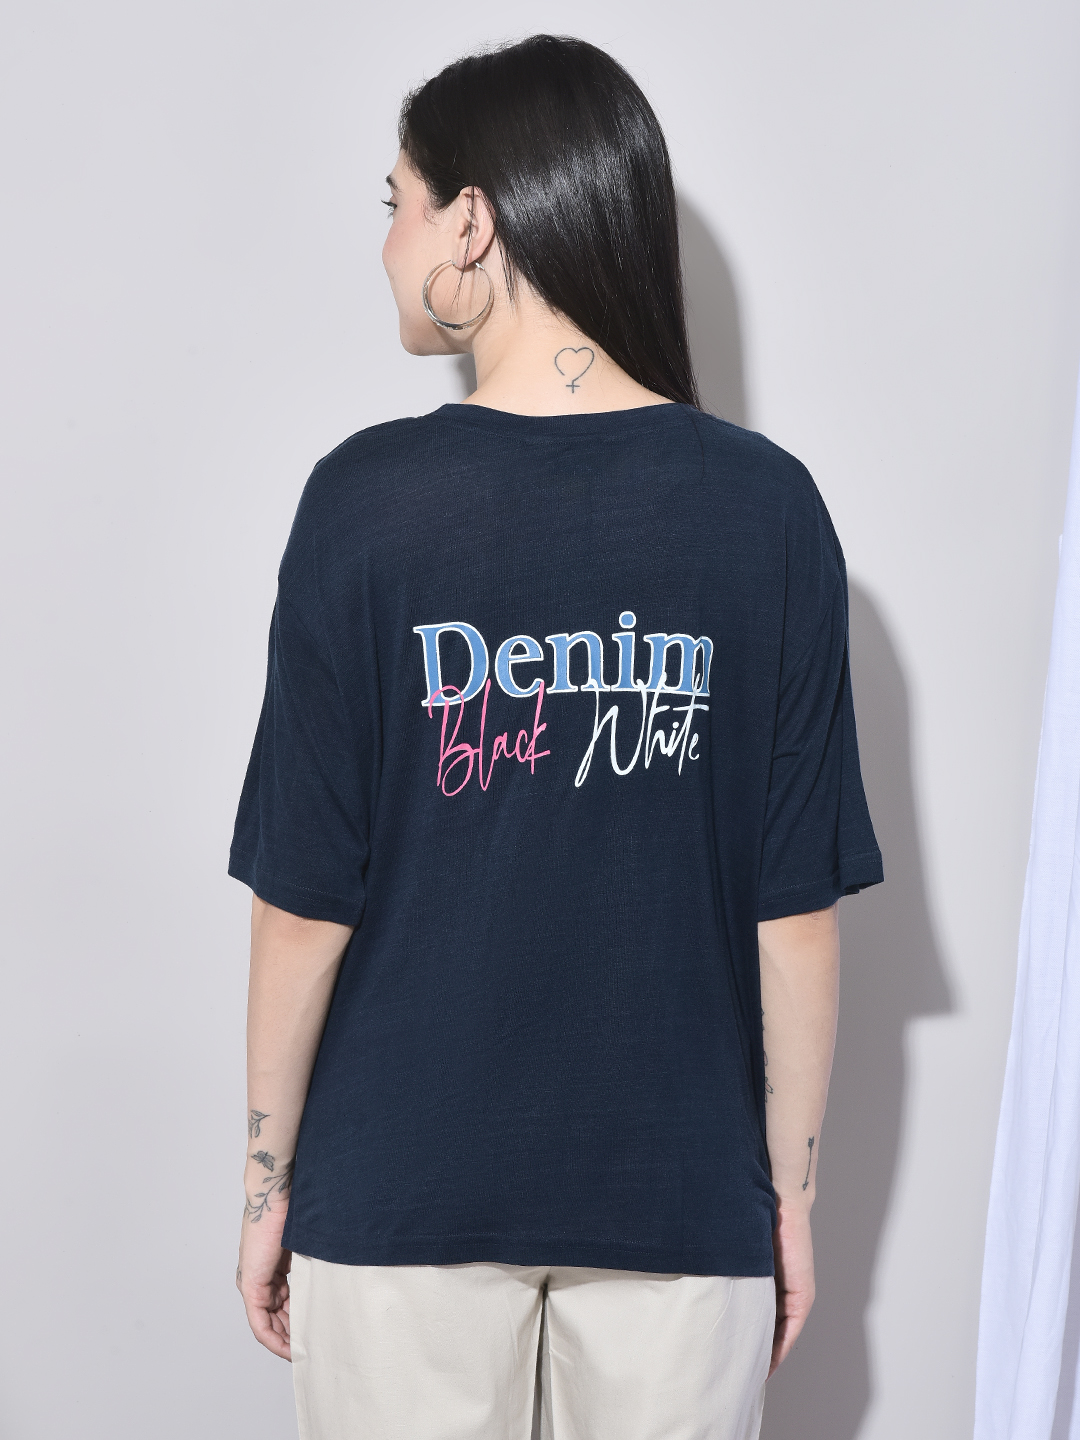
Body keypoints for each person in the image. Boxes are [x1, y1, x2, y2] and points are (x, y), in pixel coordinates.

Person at [229, 33, 883, 1440]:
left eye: (397, 202)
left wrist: (265, 1186)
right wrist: (791, 1201)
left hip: (399, 1195)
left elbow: (304, 906)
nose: (389, 242)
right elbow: (794, 915)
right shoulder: (767, 509)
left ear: (470, 220)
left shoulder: (363, 505)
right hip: (684, 1199)